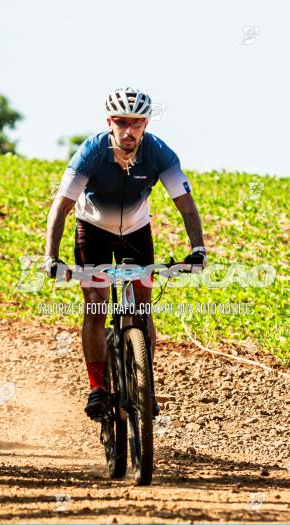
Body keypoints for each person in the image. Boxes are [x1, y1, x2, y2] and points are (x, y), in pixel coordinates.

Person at [42, 87, 207, 421]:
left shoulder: (160, 154)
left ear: (145, 124)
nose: (129, 131)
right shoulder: (90, 152)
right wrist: (51, 257)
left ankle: (144, 384)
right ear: (109, 122)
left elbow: (187, 207)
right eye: (121, 123)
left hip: (135, 232)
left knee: (142, 308)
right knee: (97, 305)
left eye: (137, 123)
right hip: (93, 230)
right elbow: (60, 208)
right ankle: (97, 388)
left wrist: (198, 249)